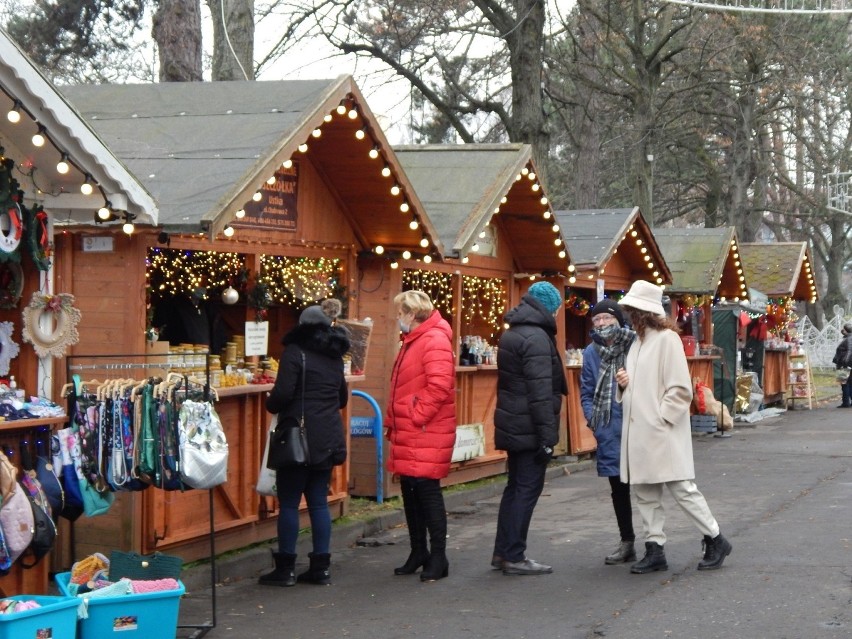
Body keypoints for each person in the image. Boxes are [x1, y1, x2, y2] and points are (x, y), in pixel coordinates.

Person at [615, 280, 732, 574]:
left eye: (632, 310)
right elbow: (643, 386)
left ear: (643, 312)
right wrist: (624, 386)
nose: (629, 315)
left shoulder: (667, 339)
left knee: (682, 488)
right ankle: (655, 549)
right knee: (645, 492)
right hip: (642, 433)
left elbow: (680, 389)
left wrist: (660, 418)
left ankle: (715, 537)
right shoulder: (637, 343)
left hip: (659, 432)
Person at [259, 304, 350, 587]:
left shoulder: (294, 352)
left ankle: (285, 569)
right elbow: (342, 398)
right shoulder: (335, 356)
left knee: (288, 502)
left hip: (298, 437)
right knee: (319, 502)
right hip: (326, 437)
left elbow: (282, 393)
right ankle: (320, 568)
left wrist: (270, 402)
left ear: (301, 326)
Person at [492, 281, 567, 576]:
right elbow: (540, 393)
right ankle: (514, 554)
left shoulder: (513, 332)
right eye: (558, 308)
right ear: (549, 307)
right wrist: (548, 438)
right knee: (526, 489)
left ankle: (503, 551)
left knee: (515, 489)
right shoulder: (537, 337)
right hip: (529, 427)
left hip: (513, 423)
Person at [386, 290, 456, 582]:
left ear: (411, 314)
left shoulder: (433, 339)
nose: (397, 319)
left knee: (427, 493)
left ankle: (438, 556)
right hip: (412, 430)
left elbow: (439, 386)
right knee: (411, 493)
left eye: (400, 313)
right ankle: (419, 552)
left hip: (424, 430)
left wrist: (416, 415)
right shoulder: (414, 340)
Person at [579, 299, 637, 565]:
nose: (601, 323)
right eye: (596, 320)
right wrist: (593, 419)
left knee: (649, 487)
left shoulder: (635, 344)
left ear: (618, 319)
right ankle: (627, 543)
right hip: (608, 428)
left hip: (636, 424)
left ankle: (654, 544)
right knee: (618, 488)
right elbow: (587, 390)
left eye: (606, 318)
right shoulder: (591, 352)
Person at [832, 322, 852, 408]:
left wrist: (845, 363)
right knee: (849, 383)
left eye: (843, 329)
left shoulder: (849, 339)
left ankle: (846, 402)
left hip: (844, 364)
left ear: (846, 330)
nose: (842, 330)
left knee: (845, 383)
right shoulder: (847, 338)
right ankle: (847, 401)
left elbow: (849, 351)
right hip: (846, 363)